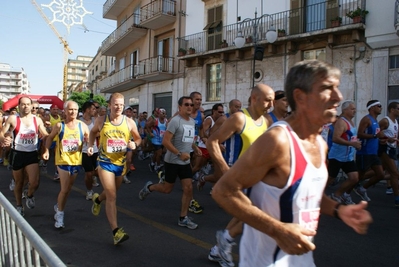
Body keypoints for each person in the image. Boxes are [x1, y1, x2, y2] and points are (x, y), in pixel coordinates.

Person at [212, 60, 373, 267]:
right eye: (326, 88)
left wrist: (339, 210)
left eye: (337, 88)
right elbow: (222, 191)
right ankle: (224, 241)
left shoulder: (320, 144)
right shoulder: (278, 140)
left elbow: (307, 194)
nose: (338, 97)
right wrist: (277, 230)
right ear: (300, 97)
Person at [206, 85, 274, 267]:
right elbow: (212, 141)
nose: (271, 104)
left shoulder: (266, 121)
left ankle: (219, 247)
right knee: (254, 215)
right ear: (254, 98)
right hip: (238, 177)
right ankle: (224, 244)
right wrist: (225, 171)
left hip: (256, 177)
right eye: (267, 100)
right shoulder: (239, 119)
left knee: (249, 215)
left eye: (273, 100)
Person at [138, 96, 202, 229]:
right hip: (173, 161)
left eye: (191, 105)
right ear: (180, 107)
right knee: (167, 189)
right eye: (186, 105)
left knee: (188, 188)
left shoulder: (191, 121)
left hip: (185, 161)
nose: (190, 107)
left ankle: (183, 218)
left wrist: (195, 148)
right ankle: (149, 188)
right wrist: (179, 153)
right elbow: (165, 142)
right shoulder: (175, 122)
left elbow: (189, 139)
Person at [87, 92, 141, 245]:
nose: (118, 107)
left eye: (121, 105)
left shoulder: (129, 122)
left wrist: (134, 144)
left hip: (120, 164)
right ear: (109, 105)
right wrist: (90, 146)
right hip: (104, 162)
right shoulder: (101, 120)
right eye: (116, 104)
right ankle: (116, 232)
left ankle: (97, 199)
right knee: (112, 196)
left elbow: (138, 138)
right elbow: (92, 133)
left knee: (112, 192)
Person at [43, 100, 90, 228]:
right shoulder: (59, 126)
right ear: (65, 111)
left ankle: (59, 205)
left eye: (75, 109)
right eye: (70, 109)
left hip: (76, 161)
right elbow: (49, 137)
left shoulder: (82, 125)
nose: (73, 112)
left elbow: (89, 138)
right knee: (64, 189)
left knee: (68, 189)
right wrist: (46, 150)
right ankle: (60, 214)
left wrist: (89, 145)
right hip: (62, 161)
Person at [0, 97, 48, 216]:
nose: (26, 106)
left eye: (28, 104)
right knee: (19, 183)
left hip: (31, 154)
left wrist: (48, 143)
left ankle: (29, 194)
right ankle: (19, 205)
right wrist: (3, 139)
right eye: (23, 104)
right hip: (17, 154)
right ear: (19, 106)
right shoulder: (13, 118)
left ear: (31, 106)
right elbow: (2, 132)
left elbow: (45, 134)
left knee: (35, 182)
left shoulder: (37, 120)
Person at [328, 100, 361, 205]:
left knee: (354, 178)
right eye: (352, 109)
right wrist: (352, 144)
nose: (354, 111)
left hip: (348, 157)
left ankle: (336, 195)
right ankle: (314, 197)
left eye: (355, 109)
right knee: (329, 179)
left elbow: (351, 138)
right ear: (344, 110)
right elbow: (335, 138)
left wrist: (356, 143)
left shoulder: (351, 121)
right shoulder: (341, 122)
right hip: (337, 156)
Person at [353, 100, 386, 202]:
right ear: (372, 108)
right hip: (364, 152)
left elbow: (376, 136)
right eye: (378, 106)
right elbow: (359, 134)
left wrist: (385, 139)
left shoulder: (376, 121)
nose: (381, 107)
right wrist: (375, 136)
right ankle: (344, 193)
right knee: (359, 176)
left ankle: (362, 189)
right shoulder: (366, 119)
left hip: (373, 152)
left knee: (381, 174)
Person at [377, 101, 399, 207]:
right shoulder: (386, 121)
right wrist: (385, 139)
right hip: (385, 149)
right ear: (392, 110)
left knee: (378, 172)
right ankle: (397, 199)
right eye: (398, 108)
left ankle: (359, 182)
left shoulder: (395, 122)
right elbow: (376, 132)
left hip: (392, 149)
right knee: (394, 173)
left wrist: (395, 141)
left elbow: (393, 135)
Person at [79, 101, 99, 200]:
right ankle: (89, 191)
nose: (95, 111)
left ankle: (93, 177)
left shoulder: (95, 120)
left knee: (99, 172)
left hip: (95, 150)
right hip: (84, 151)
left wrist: (92, 135)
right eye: (93, 109)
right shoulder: (79, 121)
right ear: (87, 110)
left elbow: (99, 133)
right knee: (88, 173)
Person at [147, 108, 168, 173]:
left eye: (165, 113)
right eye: (162, 113)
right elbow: (147, 126)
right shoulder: (155, 121)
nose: (164, 115)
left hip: (162, 140)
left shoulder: (166, 121)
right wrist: (150, 133)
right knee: (159, 153)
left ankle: (152, 163)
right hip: (155, 140)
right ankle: (157, 166)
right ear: (159, 114)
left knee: (157, 153)